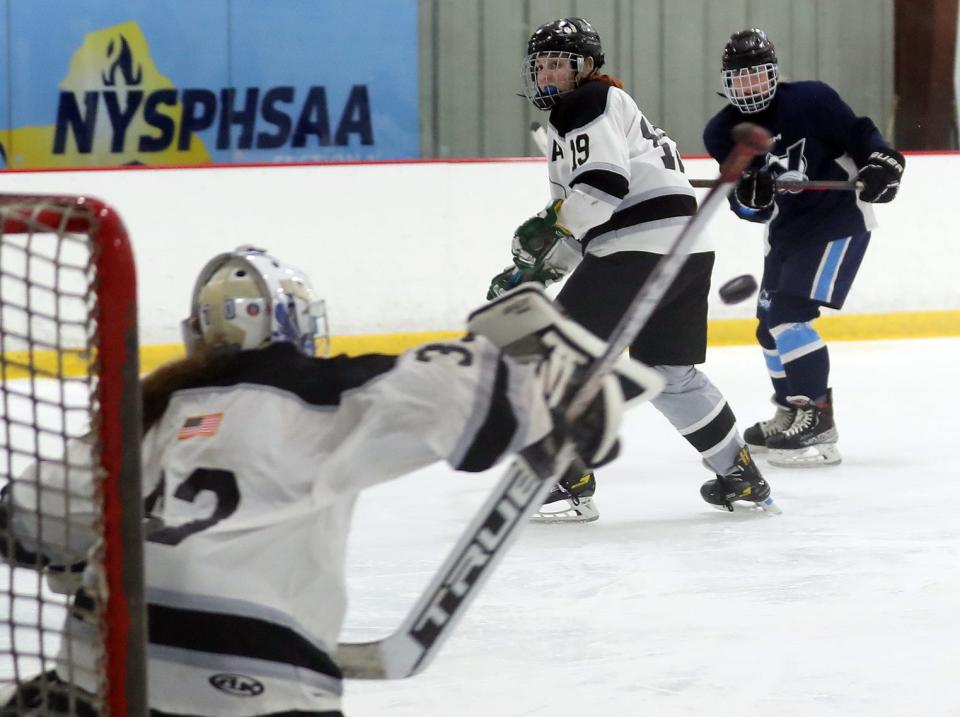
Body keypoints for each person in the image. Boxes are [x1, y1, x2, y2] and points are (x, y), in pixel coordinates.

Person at [0, 248, 650, 716]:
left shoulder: (136, 417)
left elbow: (24, 521)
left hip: (102, 672)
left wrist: (73, 555)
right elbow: (459, 380)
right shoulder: (320, 390)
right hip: (258, 679)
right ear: (294, 323)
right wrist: (559, 389)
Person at [487, 17, 775, 519]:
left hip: (636, 250)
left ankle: (566, 479)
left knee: (551, 355)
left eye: (561, 64)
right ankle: (740, 475)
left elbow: (601, 188)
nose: (550, 75)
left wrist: (548, 231)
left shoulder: (585, 103)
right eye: (543, 65)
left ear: (589, 66)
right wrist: (542, 269)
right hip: (686, 249)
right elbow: (589, 221)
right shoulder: (607, 110)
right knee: (667, 372)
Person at [703, 29, 905, 467]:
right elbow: (748, 208)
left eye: (758, 75)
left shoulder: (811, 100)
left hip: (837, 220)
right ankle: (793, 408)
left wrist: (884, 162)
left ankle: (818, 418)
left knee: (790, 316)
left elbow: (862, 136)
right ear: (727, 83)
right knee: (768, 326)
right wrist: (751, 199)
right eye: (740, 78)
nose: (750, 86)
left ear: (773, 74)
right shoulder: (722, 131)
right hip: (785, 233)